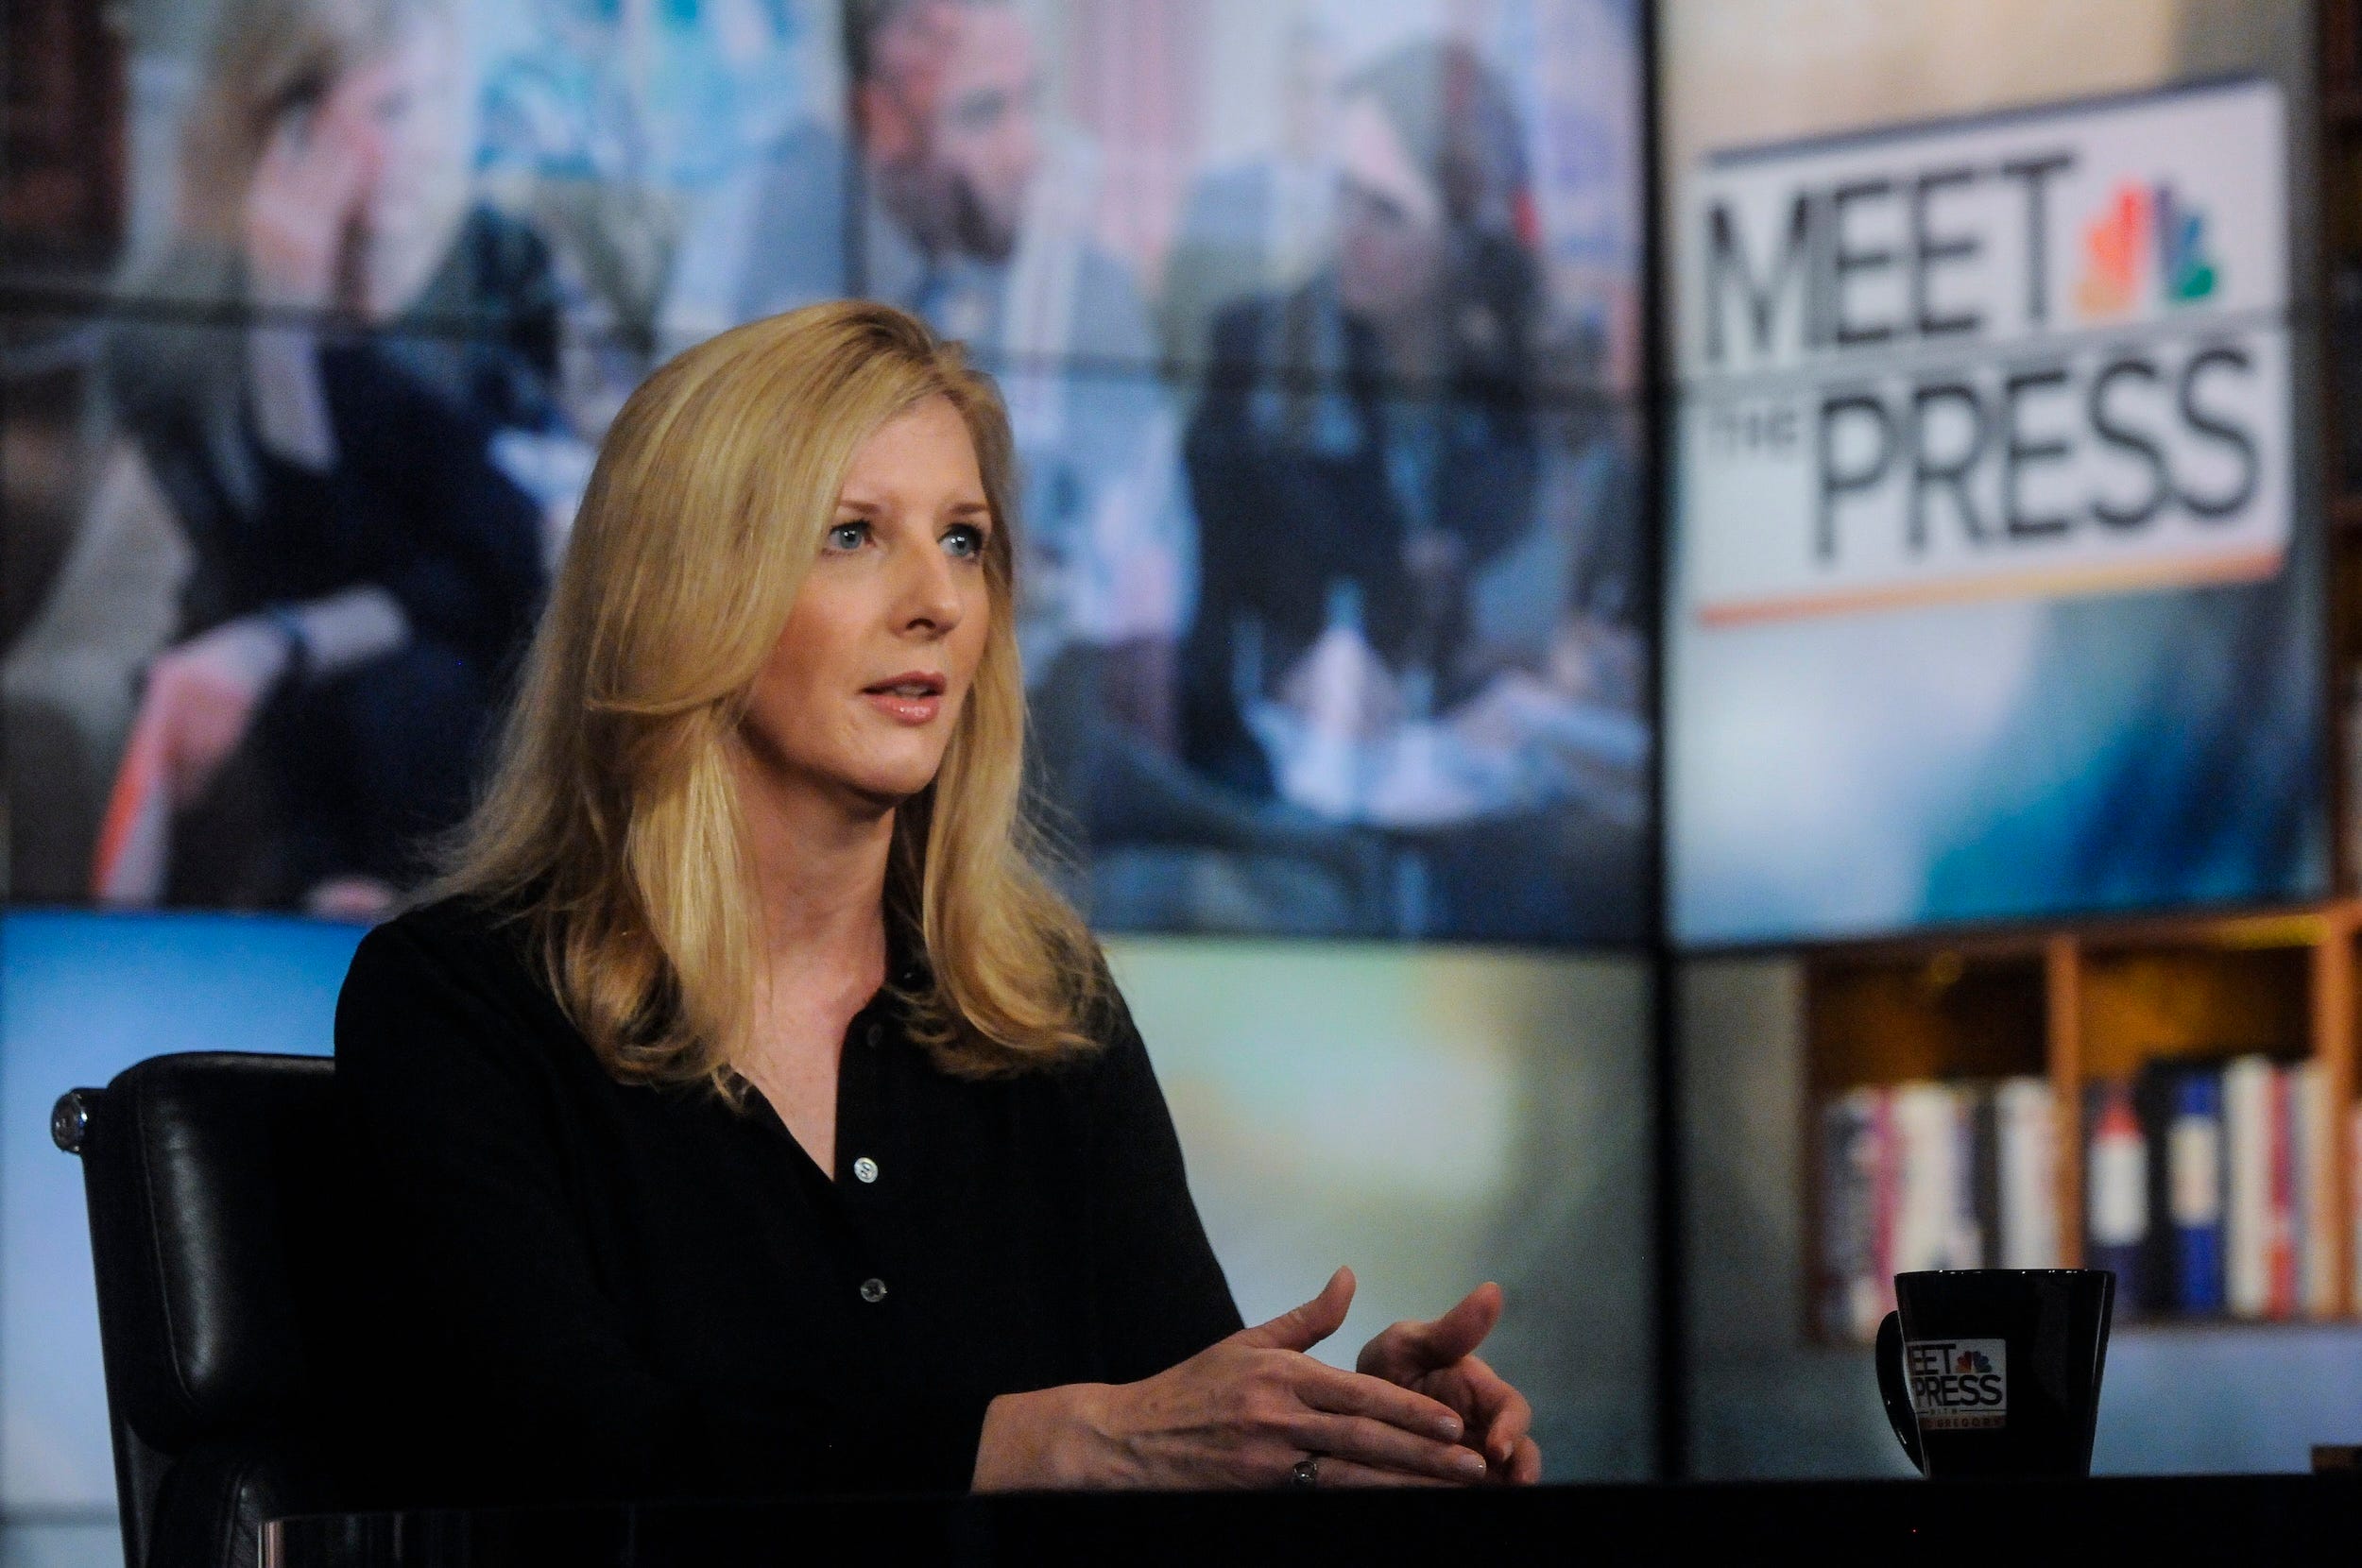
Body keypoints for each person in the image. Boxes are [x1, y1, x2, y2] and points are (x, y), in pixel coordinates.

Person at [333, 300, 1542, 1500]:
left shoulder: (1039, 1005)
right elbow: (570, 1466)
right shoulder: (457, 1003)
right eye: (852, 534)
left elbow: (1170, 1427)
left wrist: (1335, 1448)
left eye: (964, 540)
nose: (939, 601)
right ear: (682, 590)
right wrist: (1044, 1445)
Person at [3, 0, 556, 914]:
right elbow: (275, 563)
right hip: (274, 713)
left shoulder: (495, 268)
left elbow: (501, 567)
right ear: (283, 131)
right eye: (391, 109)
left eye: (440, 101)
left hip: (445, 690)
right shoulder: (177, 323)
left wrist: (283, 642)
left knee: (410, 688)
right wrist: (281, 328)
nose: (429, 145)